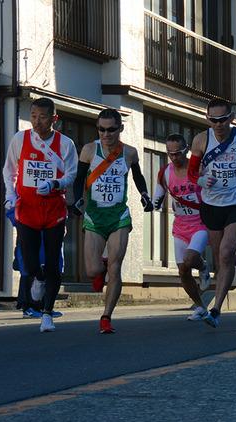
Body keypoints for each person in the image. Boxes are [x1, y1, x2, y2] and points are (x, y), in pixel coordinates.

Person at [72, 108, 154, 334]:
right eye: (101, 129)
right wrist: (78, 199)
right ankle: (102, 267)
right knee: (92, 270)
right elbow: (79, 179)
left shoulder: (129, 153)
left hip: (118, 216)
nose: (106, 134)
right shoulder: (89, 150)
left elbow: (137, 176)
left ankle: (106, 317)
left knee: (116, 269)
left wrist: (145, 195)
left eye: (111, 129)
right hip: (95, 216)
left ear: (120, 129)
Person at [2, 97, 78, 332]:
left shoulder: (65, 144)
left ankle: (46, 313)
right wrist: (10, 194)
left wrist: (55, 184)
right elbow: (9, 169)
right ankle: (39, 277)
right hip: (27, 209)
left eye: (42, 117)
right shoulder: (20, 139)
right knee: (30, 259)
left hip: (54, 210)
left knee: (54, 261)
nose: (37, 121)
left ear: (54, 119)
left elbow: (72, 175)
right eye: (33, 116)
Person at [187, 98, 236, 328]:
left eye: (222, 119)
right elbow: (191, 172)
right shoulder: (201, 140)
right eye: (213, 120)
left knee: (226, 252)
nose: (218, 124)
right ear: (207, 118)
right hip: (212, 204)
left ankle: (217, 309)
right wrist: (200, 179)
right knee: (222, 258)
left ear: (231, 118)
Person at [152, 134, 212, 321]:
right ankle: (201, 307)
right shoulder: (165, 172)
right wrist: (153, 202)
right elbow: (159, 193)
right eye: (170, 153)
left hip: (201, 222)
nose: (173, 157)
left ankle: (203, 267)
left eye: (177, 153)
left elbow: (212, 188)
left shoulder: (198, 168)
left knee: (190, 258)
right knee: (183, 271)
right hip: (180, 225)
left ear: (186, 150)